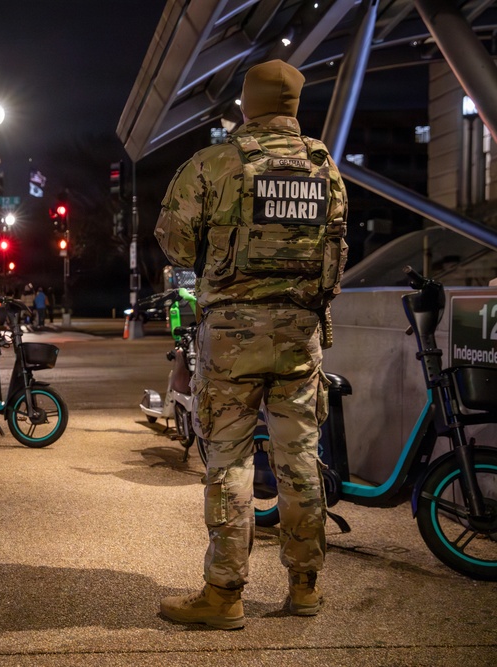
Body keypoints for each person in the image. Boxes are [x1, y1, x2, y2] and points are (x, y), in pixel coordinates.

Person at [153, 59, 348, 630]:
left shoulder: (214, 164)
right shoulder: (323, 166)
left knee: (230, 461)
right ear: (293, 107)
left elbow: (175, 244)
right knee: (300, 462)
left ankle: (225, 593)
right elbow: (335, 250)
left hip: (232, 341)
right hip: (299, 337)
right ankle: (305, 586)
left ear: (247, 104)